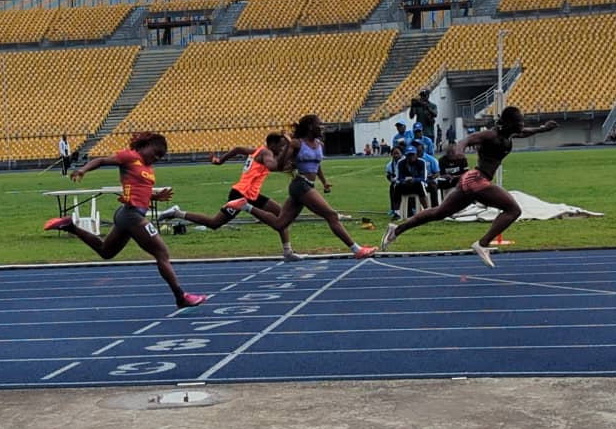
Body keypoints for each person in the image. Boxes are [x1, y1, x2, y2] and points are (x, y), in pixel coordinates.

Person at [43, 132, 207, 308]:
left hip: (128, 214)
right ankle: (180, 297)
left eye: (159, 157)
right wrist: (83, 169)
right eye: (154, 153)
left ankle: (70, 226)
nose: (156, 158)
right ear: (145, 146)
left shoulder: (148, 167)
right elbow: (101, 161)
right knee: (162, 253)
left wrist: (154, 197)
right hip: (132, 216)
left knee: (106, 252)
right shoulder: (130, 157)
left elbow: (138, 189)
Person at [381, 107, 557, 267]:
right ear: (510, 123)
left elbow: (525, 132)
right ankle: (482, 244)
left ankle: (396, 230)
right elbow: (468, 139)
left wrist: (543, 129)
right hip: (477, 180)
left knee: (439, 213)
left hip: (472, 180)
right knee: (513, 210)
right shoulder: (491, 135)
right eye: (520, 122)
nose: (522, 125)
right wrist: (459, 150)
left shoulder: (509, 134)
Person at [224, 114, 377, 259]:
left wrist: (324, 182)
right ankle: (357, 250)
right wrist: (288, 147)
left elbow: (317, 164)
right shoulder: (297, 143)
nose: (322, 127)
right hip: (300, 185)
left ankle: (245, 206)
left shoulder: (318, 144)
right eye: (319, 124)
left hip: (307, 184)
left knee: (280, 223)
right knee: (331, 215)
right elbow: (280, 165)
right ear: (310, 126)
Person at [158, 133, 303, 261]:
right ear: (273, 144)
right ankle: (176, 212)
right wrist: (289, 161)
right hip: (240, 195)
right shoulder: (266, 153)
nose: (283, 150)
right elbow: (272, 167)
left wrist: (221, 160)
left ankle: (287, 251)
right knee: (214, 223)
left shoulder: (258, 150)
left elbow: (238, 149)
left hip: (252, 195)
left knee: (281, 214)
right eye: (282, 147)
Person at [384, 147, 403, 219]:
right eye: (394, 153)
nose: (396, 155)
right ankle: (393, 208)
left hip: (404, 181)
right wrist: (391, 179)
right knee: (392, 188)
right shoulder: (389, 165)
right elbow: (388, 175)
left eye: (397, 153)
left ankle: (411, 208)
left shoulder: (405, 162)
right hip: (396, 182)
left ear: (401, 154)